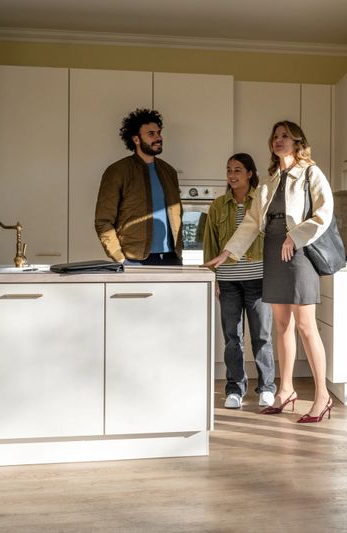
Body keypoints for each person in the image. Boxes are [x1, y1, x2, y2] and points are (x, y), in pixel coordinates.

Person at [205, 121, 334, 423]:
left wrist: (296, 236)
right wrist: (228, 252)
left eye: (285, 136)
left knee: (305, 325)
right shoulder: (270, 180)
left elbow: (324, 213)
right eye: (275, 136)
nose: (278, 140)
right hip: (273, 253)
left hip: (299, 251)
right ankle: (285, 390)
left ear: (297, 141)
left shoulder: (311, 174)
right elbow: (251, 223)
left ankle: (322, 396)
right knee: (281, 324)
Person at [203, 153, 277, 409]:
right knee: (232, 338)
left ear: (250, 174)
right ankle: (235, 389)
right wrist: (212, 277)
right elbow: (210, 244)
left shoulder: (262, 201)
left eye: (237, 170)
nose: (232, 175)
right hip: (228, 281)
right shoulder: (218, 205)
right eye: (228, 170)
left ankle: (267, 387)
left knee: (261, 336)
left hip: (258, 279)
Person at [95, 108, 183, 266]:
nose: (158, 137)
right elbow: (103, 221)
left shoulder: (169, 172)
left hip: (171, 258)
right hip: (134, 260)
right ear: (136, 139)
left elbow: (177, 215)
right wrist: (119, 257)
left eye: (159, 132)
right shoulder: (117, 171)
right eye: (151, 134)